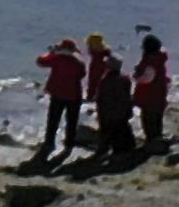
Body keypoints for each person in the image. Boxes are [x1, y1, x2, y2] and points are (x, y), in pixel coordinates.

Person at [41, 38, 91, 162]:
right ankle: (69, 145)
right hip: (74, 95)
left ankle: (49, 143)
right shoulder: (78, 62)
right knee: (72, 122)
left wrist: (51, 53)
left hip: (58, 94)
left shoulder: (56, 59)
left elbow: (40, 61)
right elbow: (82, 74)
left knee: (53, 120)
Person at [93, 34, 137, 162]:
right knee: (124, 130)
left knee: (110, 133)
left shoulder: (106, 81)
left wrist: (100, 112)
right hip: (123, 110)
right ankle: (128, 149)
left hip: (110, 112)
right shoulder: (125, 78)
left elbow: (102, 98)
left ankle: (115, 153)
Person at [140, 33, 171, 157]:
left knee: (148, 121)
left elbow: (146, 79)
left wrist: (137, 76)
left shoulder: (151, 62)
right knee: (157, 120)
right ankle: (157, 140)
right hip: (159, 96)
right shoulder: (159, 59)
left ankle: (152, 144)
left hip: (150, 98)